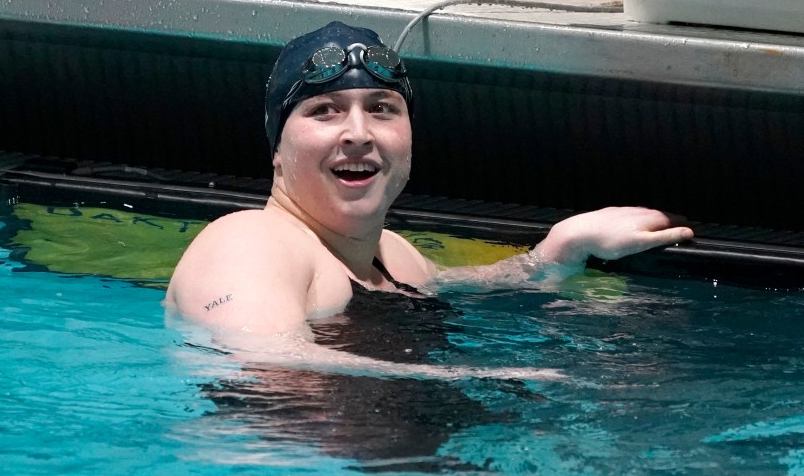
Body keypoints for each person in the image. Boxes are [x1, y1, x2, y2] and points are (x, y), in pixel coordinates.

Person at [165, 21, 694, 360]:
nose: (357, 133)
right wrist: (483, 382)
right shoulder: (249, 241)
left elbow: (463, 285)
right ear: (277, 149)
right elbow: (263, 360)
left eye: (382, 108)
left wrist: (558, 250)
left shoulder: (394, 257)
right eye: (324, 111)